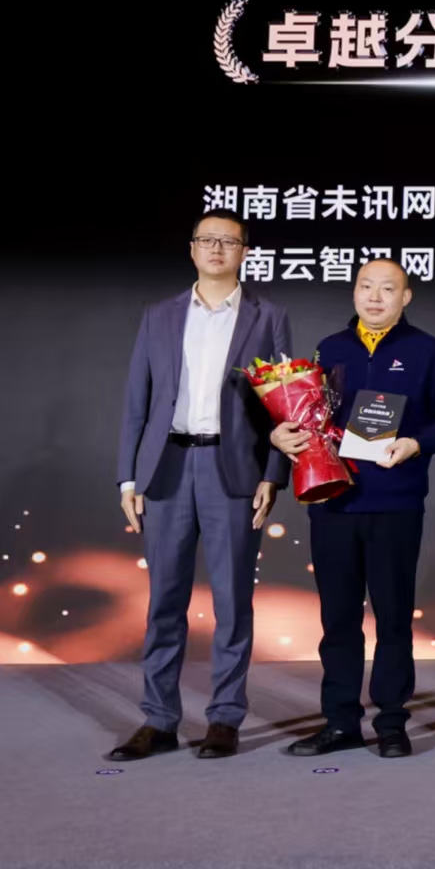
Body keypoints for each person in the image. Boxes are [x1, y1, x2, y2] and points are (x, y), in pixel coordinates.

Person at [110, 210, 291, 762]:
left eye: (228, 242)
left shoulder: (269, 316)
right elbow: (137, 401)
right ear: (192, 249)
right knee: (164, 599)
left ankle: (224, 718)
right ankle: (158, 720)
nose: (216, 249)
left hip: (233, 470)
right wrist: (128, 476)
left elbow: (283, 404)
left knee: (233, 600)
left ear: (244, 253)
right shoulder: (159, 315)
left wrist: (273, 474)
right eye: (207, 240)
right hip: (166, 469)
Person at [270, 260, 435, 759]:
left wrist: (416, 444)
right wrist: (287, 434)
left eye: (387, 288)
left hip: (396, 503)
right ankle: (340, 722)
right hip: (333, 501)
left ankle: (392, 722)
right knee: (338, 619)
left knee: (394, 618)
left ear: (406, 296)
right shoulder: (329, 348)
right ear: (354, 292)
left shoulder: (429, 351)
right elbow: (310, 414)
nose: (375, 297)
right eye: (366, 286)